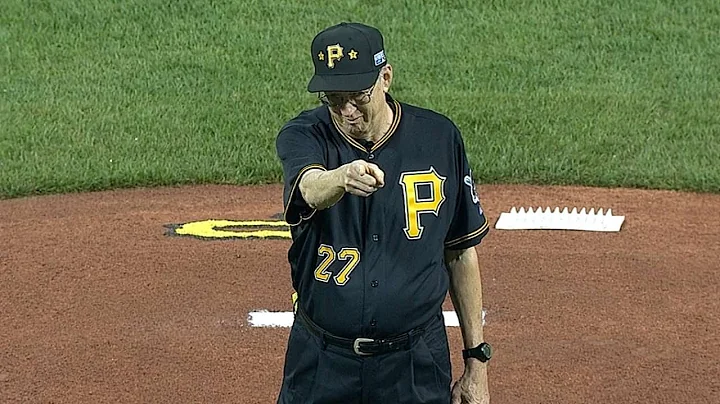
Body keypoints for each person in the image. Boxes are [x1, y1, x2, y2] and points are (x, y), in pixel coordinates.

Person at [275, 21, 492, 404]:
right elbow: (309, 187)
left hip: (415, 367)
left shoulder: (439, 139)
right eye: (333, 98)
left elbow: (460, 251)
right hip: (322, 365)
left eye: (357, 95)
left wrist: (477, 363)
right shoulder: (304, 135)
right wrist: (341, 178)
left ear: (385, 77)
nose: (346, 111)